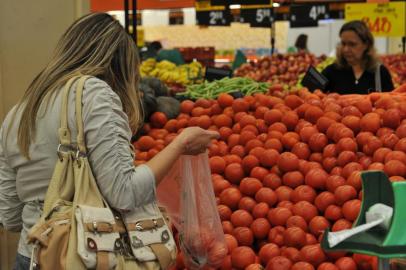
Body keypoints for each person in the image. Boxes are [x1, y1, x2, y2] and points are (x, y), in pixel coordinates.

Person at [0, 13, 218, 270]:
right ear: (118, 63)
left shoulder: (19, 111)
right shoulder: (93, 94)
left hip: (30, 258)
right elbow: (124, 193)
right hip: (85, 258)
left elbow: (10, 216)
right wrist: (180, 145)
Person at [322, 20, 394, 94]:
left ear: (366, 45)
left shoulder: (380, 73)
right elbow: (314, 96)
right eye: (343, 44)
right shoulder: (331, 71)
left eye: (352, 44)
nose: (346, 49)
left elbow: (391, 102)